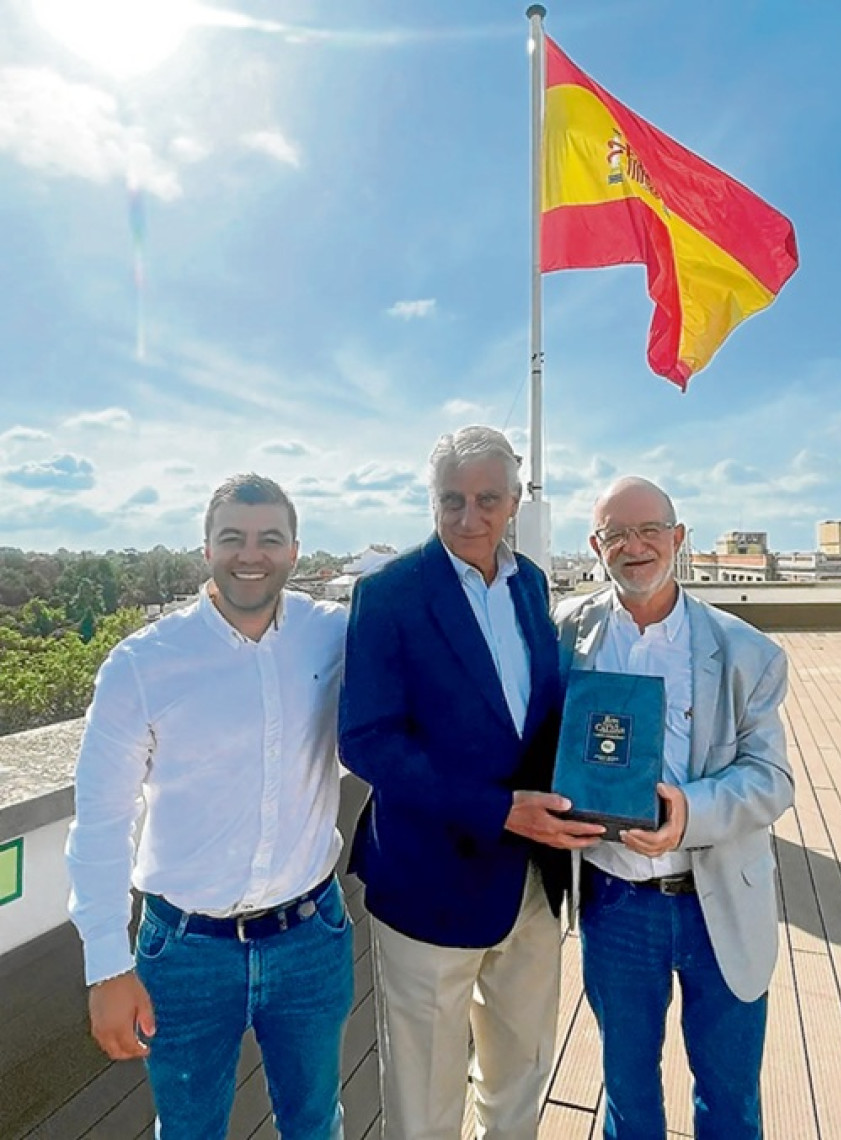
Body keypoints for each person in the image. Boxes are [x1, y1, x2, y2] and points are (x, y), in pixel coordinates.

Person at [65, 473, 353, 1140]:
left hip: (310, 936)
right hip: (186, 950)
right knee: (190, 1130)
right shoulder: (143, 663)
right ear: (206, 549)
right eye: (232, 538)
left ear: (294, 551)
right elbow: (102, 815)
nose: (249, 554)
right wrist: (108, 962)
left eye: (268, 540)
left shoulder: (333, 634)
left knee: (314, 1123)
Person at [339, 426, 603, 1140]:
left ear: (514, 501)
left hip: (531, 884)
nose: (468, 516)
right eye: (450, 499)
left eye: (487, 498)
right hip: (429, 883)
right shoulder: (388, 595)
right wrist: (498, 811)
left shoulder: (532, 584)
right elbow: (367, 739)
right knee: (424, 1098)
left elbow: (534, 715)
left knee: (520, 1072)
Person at [555, 476, 794, 1140]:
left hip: (718, 902)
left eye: (649, 530)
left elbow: (770, 780)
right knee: (627, 1099)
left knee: (728, 1103)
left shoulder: (745, 649)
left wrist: (689, 811)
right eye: (616, 534)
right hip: (614, 903)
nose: (634, 547)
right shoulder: (565, 631)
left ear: (678, 538)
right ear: (595, 545)